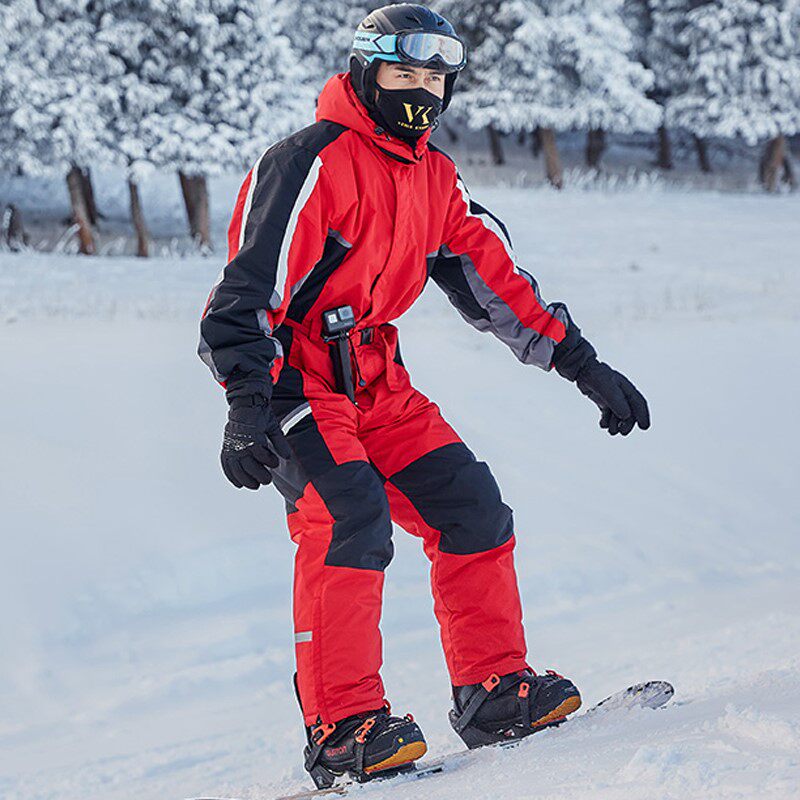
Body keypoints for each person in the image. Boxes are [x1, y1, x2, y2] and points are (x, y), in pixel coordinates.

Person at [198, 3, 650, 789]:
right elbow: (243, 294)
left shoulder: (433, 176)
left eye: (435, 80)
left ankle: (493, 691)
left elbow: (496, 281)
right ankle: (342, 727)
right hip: (295, 379)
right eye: (403, 74)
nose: (419, 92)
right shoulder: (311, 161)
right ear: (366, 74)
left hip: (379, 380)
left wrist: (583, 366)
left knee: (471, 507)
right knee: (349, 517)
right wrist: (246, 401)